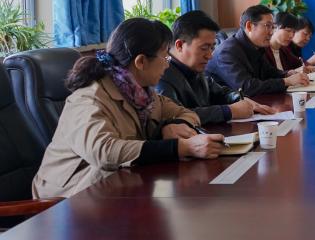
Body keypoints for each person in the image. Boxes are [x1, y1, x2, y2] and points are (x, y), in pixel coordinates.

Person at [32, 18, 225, 198]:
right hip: (67, 199)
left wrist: (173, 126)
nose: (167, 66)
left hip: (114, 188)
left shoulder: (144, 95)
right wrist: (181, 147)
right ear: (141, 62)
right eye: (165, 58)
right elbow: (105, 151)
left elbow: (186, 112)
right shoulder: (88, 99)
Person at [158, 10, 275, 125]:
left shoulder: (194, 68)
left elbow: (222, 92)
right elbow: (176, 116)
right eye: (204, 48)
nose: (209, 56)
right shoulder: (160, 75)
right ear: (179, 45)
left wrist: (240, 99)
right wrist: (229, 111)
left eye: (212, 48)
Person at [206, 5, 309, 96]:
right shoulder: (227, 52)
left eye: (272, 27)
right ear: (249, 26)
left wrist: (287, 74)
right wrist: (286, 81)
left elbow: (269, 72)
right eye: (268, 26)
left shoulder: (256, 46)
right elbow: (246, 88)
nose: (271, 32)